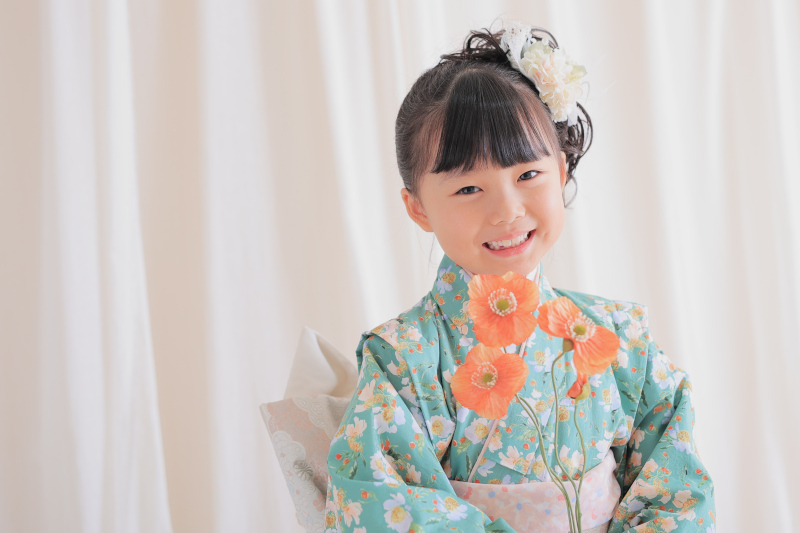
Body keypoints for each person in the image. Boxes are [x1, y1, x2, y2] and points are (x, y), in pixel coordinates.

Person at [324, 22, 715, 533]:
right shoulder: (403, 358)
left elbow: (676, 492)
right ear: (417, 207)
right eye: (468, 188)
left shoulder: (619, 337)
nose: (507, 211)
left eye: (528, 174)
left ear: (562, 171)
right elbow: (381, 503)